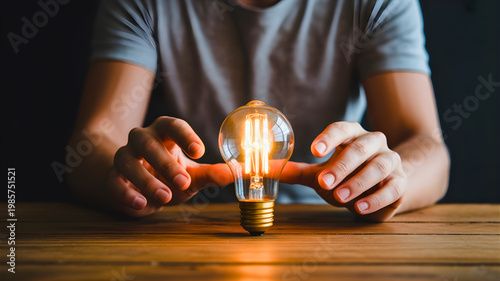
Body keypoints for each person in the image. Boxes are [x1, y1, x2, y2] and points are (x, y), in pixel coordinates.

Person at [67, 0, 450, 221]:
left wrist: (388, 182)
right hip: (185, 223)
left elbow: (427, 148)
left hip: (326, 223)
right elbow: (90, 146)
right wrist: (137, 174)